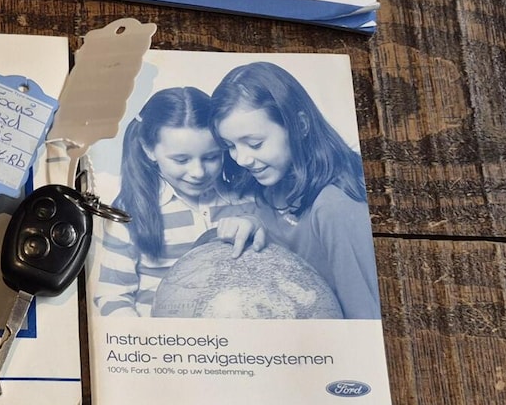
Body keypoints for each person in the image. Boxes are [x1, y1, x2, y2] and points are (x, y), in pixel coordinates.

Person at [210, 61, 380, 319]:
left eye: (255, 144)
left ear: (300, 126)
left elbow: (366, 319)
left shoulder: (335, 207)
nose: (242, 159)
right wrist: (251, 223)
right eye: (230, 146)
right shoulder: (270, 183)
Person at [95, 86, 261, 316]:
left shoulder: (247, 200)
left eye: (211, 157)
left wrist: (256, 225)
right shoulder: (130, 211)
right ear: (149, 149)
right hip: (160, 335)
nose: (198, 172)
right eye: (181, 160)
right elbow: (113, 296)